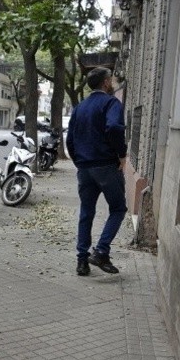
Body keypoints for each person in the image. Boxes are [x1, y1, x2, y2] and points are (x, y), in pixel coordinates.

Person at [66, 67, 128, 276]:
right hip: (107, 166)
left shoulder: (80, 107)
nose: (113, 82)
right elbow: (114, 127)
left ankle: (82, 262)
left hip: (84, 168)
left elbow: (70, 139)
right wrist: (121, 154)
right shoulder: (111, 103)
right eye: (111, 79)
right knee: (118, 209)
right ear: (106, 82)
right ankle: (101, 251)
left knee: (86, 212)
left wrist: (79, 162)